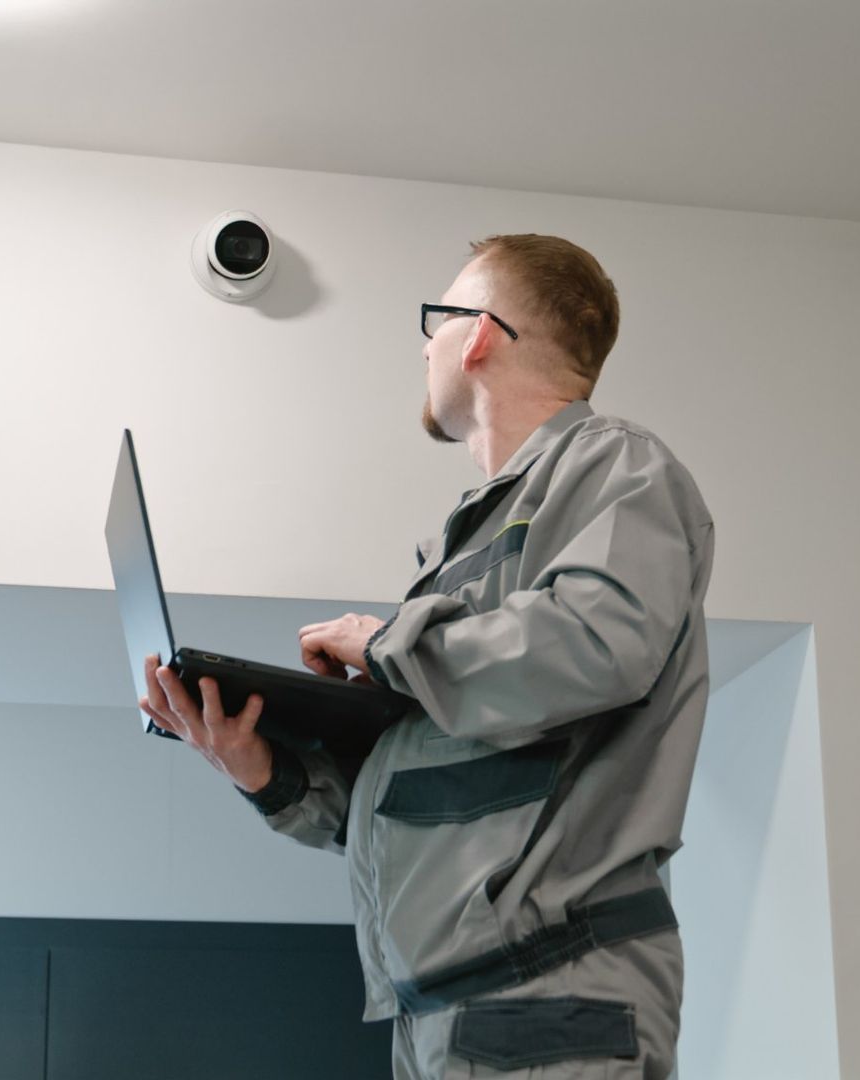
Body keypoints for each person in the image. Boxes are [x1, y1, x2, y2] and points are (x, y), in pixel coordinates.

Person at [140, 234, 714, 1079]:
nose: (425, 346)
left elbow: (596, 645)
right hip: (452, 1015)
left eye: (435, 323)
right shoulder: (460, 550)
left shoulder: (616, 467)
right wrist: (261, 769)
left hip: (548, 1000)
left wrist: (388, 644)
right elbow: (430, 816)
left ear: (478, 332)